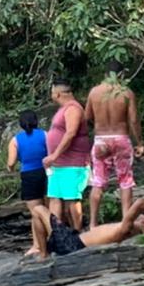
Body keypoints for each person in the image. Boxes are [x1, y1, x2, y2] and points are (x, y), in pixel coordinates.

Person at [84, 60, 144, 229]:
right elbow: (133, 120)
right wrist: (139, 142)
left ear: (105, 74)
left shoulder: (94, 92)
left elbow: (87, 117)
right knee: (125, 180)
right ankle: (126, 220)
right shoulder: (126, 92)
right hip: (121, 139)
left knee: (98, 182)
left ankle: (93, 224)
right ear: (121, 75)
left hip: (101, 139)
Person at [28, 197, 144, 260]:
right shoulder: (124, 228)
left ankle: (43, 254)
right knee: (37, 214)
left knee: (39, 209)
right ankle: (42, 250)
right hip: (73, 238)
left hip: (71, 244)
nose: (142, 216)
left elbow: (140, 203)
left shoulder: (125, 229)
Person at [42, 79, 91, 231]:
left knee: (72, 199)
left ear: (57, 93)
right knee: (55, 198)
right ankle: (56, 232)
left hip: (73, 163)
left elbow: (70, 133)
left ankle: (78, 232)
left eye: (51, 92)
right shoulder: (62, 109)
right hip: (58, 166)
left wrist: (55, 155)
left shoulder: (73, 109)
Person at [6, 110, 48, 258]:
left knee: (35, 212)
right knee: (49, 209)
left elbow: (11, 162)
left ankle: (37, 244)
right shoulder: (45, 135)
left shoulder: (15, 140)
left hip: (29, 175)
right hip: (46, 172)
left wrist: (10, 168)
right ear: (36, 121)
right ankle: (53, 237)